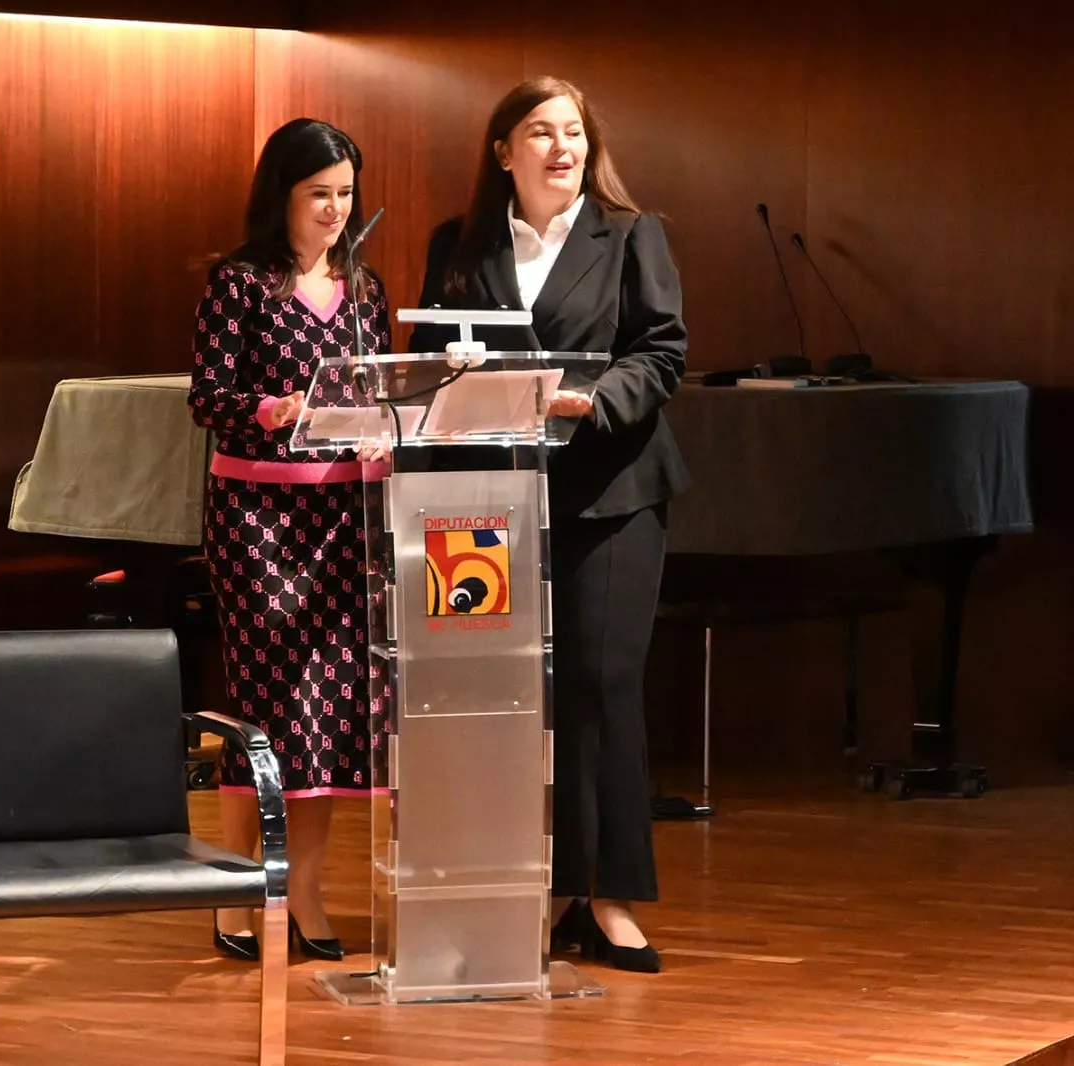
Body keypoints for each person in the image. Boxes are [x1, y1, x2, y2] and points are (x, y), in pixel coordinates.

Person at [413, 76, 689, 973]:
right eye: (541, 132)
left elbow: (663, 350)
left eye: (573, 132)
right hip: (484, 501)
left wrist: (598, 402)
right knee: (497, 695)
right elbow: (424, 364)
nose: (562, 148)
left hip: (608, 490)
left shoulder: (631, 234)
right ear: (504, 151)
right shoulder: (456, 244)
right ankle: (507, 891)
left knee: (601, 688)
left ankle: (604, 898)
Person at [188, 117, 388, 963]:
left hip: (345, 522)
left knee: (331, 716)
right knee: (268, 712)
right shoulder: (238, 284)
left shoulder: (365, 290)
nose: (335, 211)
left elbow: (376, 388)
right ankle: (241, 889)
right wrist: (267, 410)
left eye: (346, 195)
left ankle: (303, 887)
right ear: (283, 195)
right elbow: (206, 397)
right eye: (319, 195)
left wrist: (385, 426)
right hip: (259, 525)